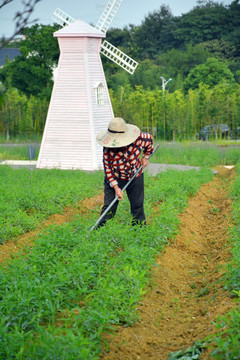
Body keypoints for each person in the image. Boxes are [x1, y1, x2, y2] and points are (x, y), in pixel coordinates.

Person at [96, 117, 154, 228]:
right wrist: (116, 188)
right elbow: (107, 169)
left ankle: (139, 232)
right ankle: (101, 231)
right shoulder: (108, 148)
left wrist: (146, 157)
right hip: (115, 177)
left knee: (137, 205)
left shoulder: (140, 138)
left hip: (135, 175)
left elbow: (149, 140)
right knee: (109, 206)